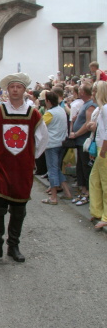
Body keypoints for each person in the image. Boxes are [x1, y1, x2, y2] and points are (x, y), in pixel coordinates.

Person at [0, 73, 48, 264]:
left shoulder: (34, 114)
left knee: (18, 210)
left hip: (22, 170)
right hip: (0, 167)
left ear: (24, 90)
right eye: (12, 87)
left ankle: (13, 245)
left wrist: (31, 159)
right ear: (7, 90)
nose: (15, 90)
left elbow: (42, 139)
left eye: (19, 87)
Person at [41, 91, 72, 205]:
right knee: (57, 169)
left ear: (48, 101)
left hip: (51, 144)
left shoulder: (49, 113)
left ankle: (53, 197)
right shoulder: (62, 110)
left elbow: (40, 125)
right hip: (62, 143)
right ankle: (67, 192)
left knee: (52, 170)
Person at [69, 83, 95, 206]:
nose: (78, 91)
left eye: (80, 89)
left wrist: (76, 134)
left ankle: (87, 193)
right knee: (80, 167)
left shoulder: (90, 105)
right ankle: (83, 191)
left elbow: (88, 123)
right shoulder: (85, 104)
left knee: (86, 167)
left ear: (83, 92)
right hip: (80, 142)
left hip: (84, 141)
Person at [89, 81, 107, 230]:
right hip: (101, 147)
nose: (93, 94)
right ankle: (97, 211)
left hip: (104, 148)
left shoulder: (105, 108)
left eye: (95, 91)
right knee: (95, 179)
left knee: (105, 182)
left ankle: (105, 216)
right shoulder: (101, 109)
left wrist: (103, 150)